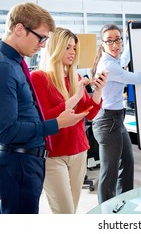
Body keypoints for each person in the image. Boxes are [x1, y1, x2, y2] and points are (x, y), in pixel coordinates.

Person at [0, 2, 87, 214]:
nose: (43, 45)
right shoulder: (1, 70)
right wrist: (56, 124)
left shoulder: (15, 63)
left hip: (28, 160)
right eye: (41, 37)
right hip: (17, 162)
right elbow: (7, 132)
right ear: (19, 29)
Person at [30, 27, 107, 213]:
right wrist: (75, 96)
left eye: (74, 48)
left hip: (79, 151)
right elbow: (46, 117)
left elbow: (89, 113)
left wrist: (98, 90)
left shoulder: (75, 76)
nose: (72, 52)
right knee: (64, 212)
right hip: (53, 155)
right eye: (67, 47)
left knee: (71, 211)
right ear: (55, 48)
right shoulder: (38, 78)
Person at [91, 24, 141, 203]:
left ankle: (123, 206)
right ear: (103, 43)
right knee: (109, 172)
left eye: (118, 40)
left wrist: (128, 40)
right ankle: (106, 213)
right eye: (110, 41)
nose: (115, 45)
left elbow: (124, 59)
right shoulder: (108, 66)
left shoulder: (113, 61)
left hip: (116, 119)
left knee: (127, 164)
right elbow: (138, 78)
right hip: (107, 121)